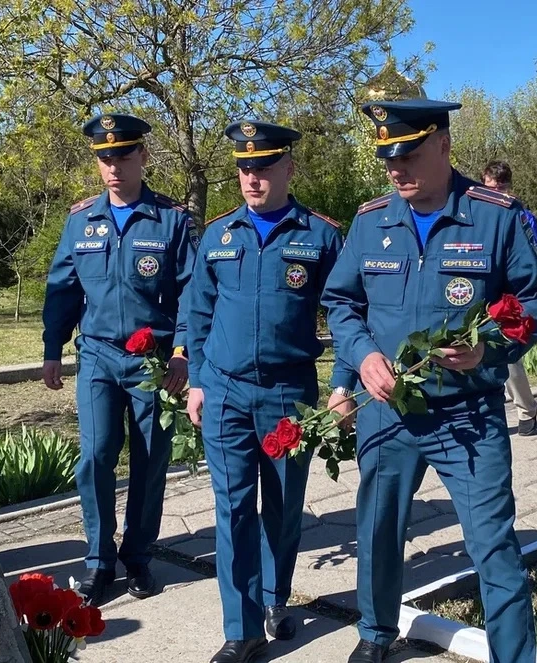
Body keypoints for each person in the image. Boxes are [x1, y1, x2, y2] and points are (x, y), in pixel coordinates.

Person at [322, 99, 537, 663]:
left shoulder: (494, 217)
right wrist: (361, 359)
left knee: (493, 543)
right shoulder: (371, 221)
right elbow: (342, 303)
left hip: (467, 416)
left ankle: (513, 656)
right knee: (379, 529)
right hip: (389, 413)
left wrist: (489, 350)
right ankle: (375, 633)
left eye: (408, 154)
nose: (395, 168)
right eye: (388, 158)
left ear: (444, 144)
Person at [185, 120, 353, 663]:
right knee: (233, 509)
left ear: (288, 168)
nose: (252, 177)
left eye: (263, 167)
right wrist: (196, 381)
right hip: (225, 392)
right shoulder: (219, 235)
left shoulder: (321, 236)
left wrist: (343, 384)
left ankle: (275, 598)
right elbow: (198, 312)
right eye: (244, 168)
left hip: (287, 394)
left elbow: (349, 313)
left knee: (281, 508)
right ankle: (242, 629)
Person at [42, 113, 196, 605]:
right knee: (95, 457)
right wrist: (51, 349)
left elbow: (192, 294)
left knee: (150, 461)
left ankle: (138, 556)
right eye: (104, 158)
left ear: (142, 156)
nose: (113, 167)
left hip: (154, 364)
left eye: (123, 156)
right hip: (98, 356)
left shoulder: (171, 220)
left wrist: (182, 353)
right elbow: (62, 289)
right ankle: (98, 560)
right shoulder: (81, 220)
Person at [482, 160, 537, 435]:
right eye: (490, 188)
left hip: (509, 296)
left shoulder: (522, 216)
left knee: (509, 356)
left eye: (500, 188)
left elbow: (531, 259)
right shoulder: (476, 214)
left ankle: (526, 408)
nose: (495, 193)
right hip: (481, 293)